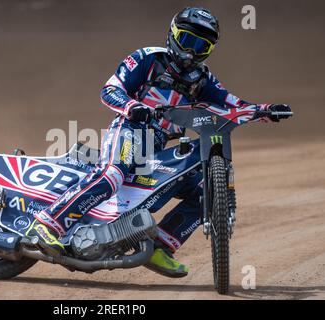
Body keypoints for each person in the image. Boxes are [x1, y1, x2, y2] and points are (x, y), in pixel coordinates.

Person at [26, 7, 291, 278]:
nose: (190, 51)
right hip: (130, 129)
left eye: (201, 45)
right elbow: (110, 90)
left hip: (157, 148)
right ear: (173, 35)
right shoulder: (148, 58)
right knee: (113, 174)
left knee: (204, 188)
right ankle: (48, 224)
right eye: (187, 40)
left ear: (210, 49)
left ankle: (160, 247)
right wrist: (132, 107)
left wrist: (265, 110)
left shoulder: (204, 79)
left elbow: (234, 104)